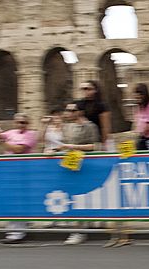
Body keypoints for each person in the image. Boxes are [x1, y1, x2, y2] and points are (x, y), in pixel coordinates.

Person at [55, 102, 100, 245]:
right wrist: (56, 150)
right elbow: (65, 144)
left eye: (71, 110)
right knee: (72, 196)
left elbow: (94, 145)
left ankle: (79, 231)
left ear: (79, 112)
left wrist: (71, 147)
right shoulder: (68, 127)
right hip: (70, 164)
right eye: (66, 109)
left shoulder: (90, 126)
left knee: (80, 197)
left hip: (85, 165)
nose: (67, 112)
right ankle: (80, 227)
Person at [0, 113, 37, 244]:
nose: (21, 124)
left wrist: (2, 140)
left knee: (17, 202)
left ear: (28, 124)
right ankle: (19, 230)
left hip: (22, 173)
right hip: (9, 171)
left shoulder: (30, 134)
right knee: (11, 201)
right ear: (14, 123)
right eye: (19, 122)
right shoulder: (11, 132)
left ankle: (16, 234)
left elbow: (18, 149)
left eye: (24, 122)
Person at [77, 80, 112, 149]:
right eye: (84, 89)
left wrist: (104, 143)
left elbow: (105, 127)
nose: (86, 91)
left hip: (97, 137)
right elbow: (78, 119)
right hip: (83, 136)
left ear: (96, 90)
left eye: (89, 89)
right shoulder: (80, 104)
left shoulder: (101, 105)